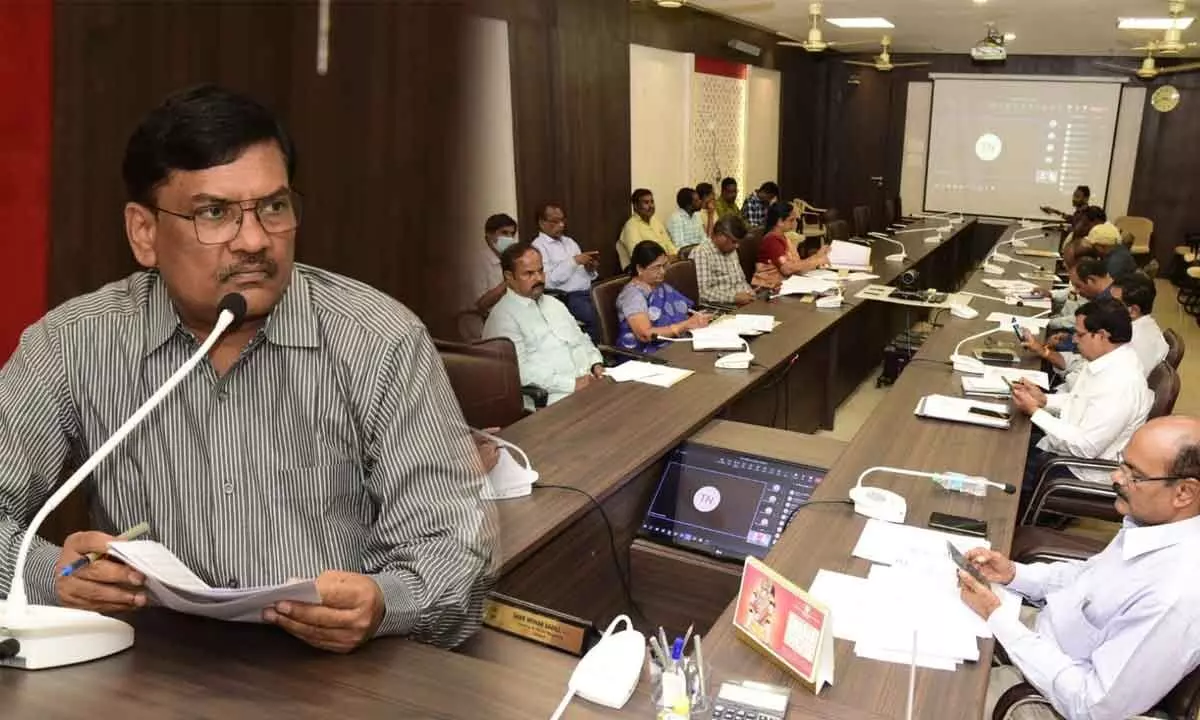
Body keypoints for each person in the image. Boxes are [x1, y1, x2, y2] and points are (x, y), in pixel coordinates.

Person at [0, 85, 497, 653]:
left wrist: (384, 601)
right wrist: (52, 575)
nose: (256, 240)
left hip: (339, 680)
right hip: (147, 671)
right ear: (144, 233)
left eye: (274, 207)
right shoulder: (74, 344)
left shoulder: (380, 340)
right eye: (215, 213)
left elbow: (455, 551)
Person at [960, 416, 1200, 720]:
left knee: (935, 693)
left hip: (1047, 700)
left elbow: (1091, 705)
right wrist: (1013, 574)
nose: (1115, 477)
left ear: (1184, 493)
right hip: (1045, 641)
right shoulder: (1151, 525)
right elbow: (1086, 577)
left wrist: (998, 619)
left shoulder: (1175, 596)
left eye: (1134, 475)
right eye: (1122, 464)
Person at [1011, 299, 1153, 510]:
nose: (1074, 340)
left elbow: (1085, 447)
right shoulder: (1104, 360)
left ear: (1102, 336)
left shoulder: (1122, 383)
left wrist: (1034, 411)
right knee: (1010, 439)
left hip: (1079, 470)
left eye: (1080, 334)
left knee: (1004, 469)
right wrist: (1044, 400)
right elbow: (1082, 400)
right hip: (1064, 451)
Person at [482, 244, 604, 405]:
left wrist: (595, 362)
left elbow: (581, 338)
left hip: (592, 384)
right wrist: (572, 384)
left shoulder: (554, 303)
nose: (539, 278)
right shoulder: (503, 317)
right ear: (509, 276)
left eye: (540, 271)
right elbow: (520, 373)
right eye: (529, 274)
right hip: (554, 398)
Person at [1023, 271, 1166, 389]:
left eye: (1115, 302)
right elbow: (1081, 365)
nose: (1108, 305)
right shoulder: (1140, 328)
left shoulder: (1128, 342)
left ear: (1133, 311)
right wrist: (1044, 352)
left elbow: (1080, 384)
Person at [616, 240, 710, 352]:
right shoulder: (632, 296)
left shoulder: (659, 286)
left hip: (677, 342)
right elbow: (645, 335)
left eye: (664, 265)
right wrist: (684, 326)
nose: (663, 271)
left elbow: (685, 312)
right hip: (650, 353)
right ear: (640, 269)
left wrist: (696, 320)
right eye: (657, 267)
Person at [530, 203, 600, 341]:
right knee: (597, 317)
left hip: (589, 291)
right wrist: (574, 261)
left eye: (563, 220)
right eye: (555, 221)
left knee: (612, 311)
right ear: (542, 223)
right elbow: (548, 280)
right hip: (567, 298)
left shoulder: (570, 242)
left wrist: (590, 269)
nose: (561, 225)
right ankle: (598, 354)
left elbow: (583, 274)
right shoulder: (537, 247)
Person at [752, 200, 830, 291]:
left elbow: (796, 264)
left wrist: (817, 256)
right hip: (770, 288)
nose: (795, 223)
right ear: (780, 221)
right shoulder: (772, 240)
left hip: (785, 284)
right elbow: (787, 269)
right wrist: (816, 261)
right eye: (791, 220)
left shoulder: (783, 237)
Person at [693, 215, 755, 307]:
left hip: (743, 305)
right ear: (720, 235)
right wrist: (734, 297)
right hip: (722, 309)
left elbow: (741, 281)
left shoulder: (731, 250)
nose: (737, 246)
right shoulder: (702, 253)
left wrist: (751, 293)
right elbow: (703, 293)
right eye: (734, 241)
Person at [618, 188, 677, 271]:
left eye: (652, 202)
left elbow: (669, 244)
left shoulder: (656, 221)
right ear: (635, 206)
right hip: (645, 271)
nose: (651, 206)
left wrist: (674, 255)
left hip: (665, 265)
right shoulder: (631, 226)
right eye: (646, 202)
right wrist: (665, 260)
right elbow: (640, 257)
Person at [471, 213, 517, 313]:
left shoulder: (512, 258)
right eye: (504, 233)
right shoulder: (478, 261)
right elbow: (482, 304)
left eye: (512, 234)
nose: (509, 238)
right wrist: (509, 282)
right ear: (489, 235)